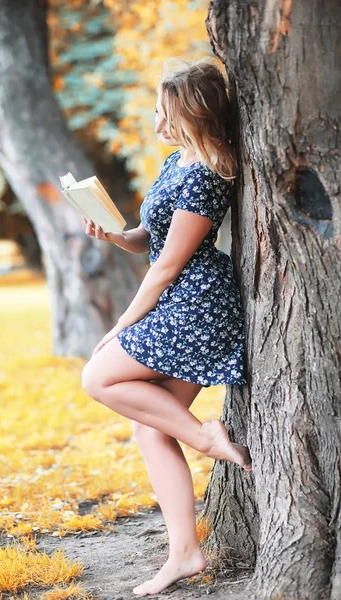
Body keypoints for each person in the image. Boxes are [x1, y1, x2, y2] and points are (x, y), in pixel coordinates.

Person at [81, 56, 252, 596]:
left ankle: (205, 436)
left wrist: (120, 327)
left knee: (98, 377)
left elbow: (170, 265)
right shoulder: (178, 161)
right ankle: (185, 553)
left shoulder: (207, 172)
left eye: (163, 114)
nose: (155, 124)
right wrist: (113, 234)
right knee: (152, 427)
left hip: (196, 306)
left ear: (191, 116)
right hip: (178, 301)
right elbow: (147, 239)